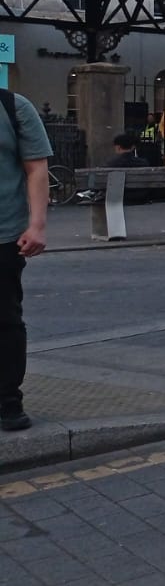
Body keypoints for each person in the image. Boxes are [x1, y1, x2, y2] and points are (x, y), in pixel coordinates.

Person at [1, 88, 51, 431]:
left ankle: (7, 401)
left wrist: (37, 225)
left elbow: (36, 168)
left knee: (5, 320)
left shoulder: (14, 107)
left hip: (3, 234)